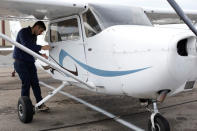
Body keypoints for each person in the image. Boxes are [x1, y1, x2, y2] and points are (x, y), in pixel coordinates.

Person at [13, 21, 51, 111]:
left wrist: (41, 54)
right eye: (41, 31)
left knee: (35, 83)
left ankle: (40, 104)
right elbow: (26, 46)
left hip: (30, 62)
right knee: (26, 83)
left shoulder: (34, 36)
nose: (41, 33)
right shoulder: (23, 32)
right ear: (37, 27)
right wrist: (42, 47)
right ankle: (26, 107)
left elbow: (32, 49)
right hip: (20, 62)